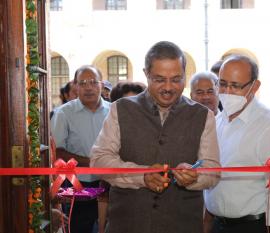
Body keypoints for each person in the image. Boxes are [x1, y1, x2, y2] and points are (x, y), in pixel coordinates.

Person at [90, 41, 221, 233]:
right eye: (159, 79)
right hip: (126, 225)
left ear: (185, 74)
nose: (168, 87)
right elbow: (99, 160)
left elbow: (213, 171)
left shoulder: (203, 116)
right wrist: (141, 176)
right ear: (146, 74)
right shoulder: (121, 109)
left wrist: (194, 177)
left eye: (176, 79)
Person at [204, 55, 270, 233]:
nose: (227, 92)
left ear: (255, 86)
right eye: (222, 84)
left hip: (250, 226)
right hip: (217, 225)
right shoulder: (217, 121)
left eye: (236, 86)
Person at [51, 65, 110, 233]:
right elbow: (58, 152)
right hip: (77, 185)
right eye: (82, 83)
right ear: (75, 86)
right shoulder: (63, 113)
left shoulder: (114, 111)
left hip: (110, 183)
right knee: (78, 227)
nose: (88, 87)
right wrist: (93, 162)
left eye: (93, 82)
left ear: (102, 84)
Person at [97, 80, 146, 233]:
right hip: (122, 220)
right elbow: (104, 194)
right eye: (126, 105)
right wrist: (101, 228)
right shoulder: (110, 146)